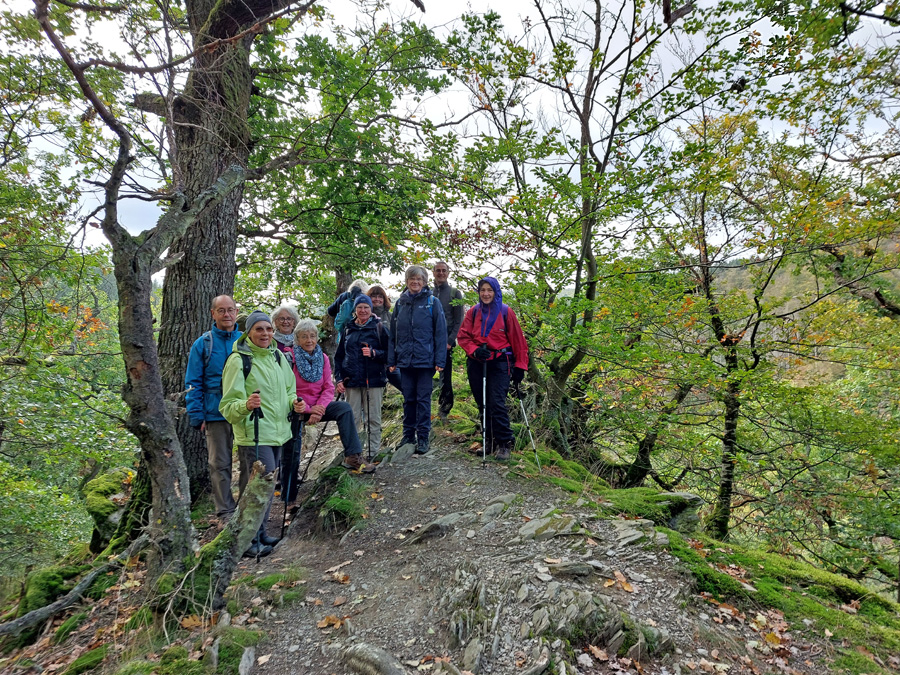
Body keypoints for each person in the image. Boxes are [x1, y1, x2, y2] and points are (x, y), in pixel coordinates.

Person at [219, 311, 306, 557]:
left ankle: (259, 533)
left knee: (265, 487)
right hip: (253, 433)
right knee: (256, 487)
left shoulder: (278, 356)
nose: (265, 334)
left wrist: (294, 403)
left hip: (278, 432)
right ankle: (245, 539)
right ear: (248, 332)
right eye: (259, 329)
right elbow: (228, 406)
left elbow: (290, 389)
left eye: (268, 329)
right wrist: (246, 405)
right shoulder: (238, 360)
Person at [457, 277, 529, 461]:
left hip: (500, 362)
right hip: (477, 362)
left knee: (496, 402)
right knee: (482, 403)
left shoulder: (506, 312)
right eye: (482, 290)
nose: (486, 294)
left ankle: (504, 443)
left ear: (496, 291)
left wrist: (520, 366)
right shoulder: (473, 312)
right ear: (478, 292)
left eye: (489, 290)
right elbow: (463, 337)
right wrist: (474, 350)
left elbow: (519, 342)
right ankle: (488, 440)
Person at [185, 295, 242, 521]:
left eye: (230, 310)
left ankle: (247, 508)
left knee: (250, 460)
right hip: (215, 411)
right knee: (219, 463)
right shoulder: (203, 344)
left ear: (236, 312)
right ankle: (225, 511)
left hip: (244, 410)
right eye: (221, 310)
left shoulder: (246, 341)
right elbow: (193, 382)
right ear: (213, 314)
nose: (227, 315)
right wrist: (197, 415)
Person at [291, 319, 374, 473]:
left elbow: (328, 387)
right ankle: (288, 474)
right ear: (297, 339)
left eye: (312, 336)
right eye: (304, 336)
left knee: (344, 408)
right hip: (297, 407)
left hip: (319, 406)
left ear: (317, 338)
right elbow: (288, 389)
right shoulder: (290, 358)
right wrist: (309, 410)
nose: (309, 340)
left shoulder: (322, 357)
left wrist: (320, 408)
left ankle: (353, 456)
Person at [388, 265, 447, 455]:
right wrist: (392, 360)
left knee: (423, 399)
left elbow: (440, 333)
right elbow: (393, 335)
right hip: (405, 360)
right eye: (412, 279)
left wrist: (440, 360)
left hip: (425, 360)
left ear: (424, 282)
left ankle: (423, 437)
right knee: (408, 399)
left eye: (419, 279)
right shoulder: (400, 304)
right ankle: (408, 436)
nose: (415, 282)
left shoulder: (432, 302)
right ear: (407, 282)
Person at [335, 295, 392, 461]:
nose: (363, 310)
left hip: (373, 380)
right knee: (352, 418)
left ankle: (372, 453)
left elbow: (391, 354)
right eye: (360, 307)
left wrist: (374, 353)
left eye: (366, 307)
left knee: (373, 418)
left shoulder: (379, 327)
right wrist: (339, 378)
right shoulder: (347, 329)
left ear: (371, 309)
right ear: (355, 310)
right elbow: (338, 357)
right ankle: (353, 453)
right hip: (351, 381)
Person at [270, 305, 301, 500]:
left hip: (297, 397)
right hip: (275, 398)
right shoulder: (270, 342)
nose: (286, 321)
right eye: (281, 319)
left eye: (289, 318)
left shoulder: (301, 341)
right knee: (278, 438)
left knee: (294, 439)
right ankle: (277, 477)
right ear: (275, 322)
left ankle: (289, 478)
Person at [432, 261, 464, 419]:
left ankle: (445, 408)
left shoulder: (454, 293)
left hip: (446, 343)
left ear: (448, 273)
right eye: (438, 270)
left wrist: (450, 341)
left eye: (444, 270)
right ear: (433, 272)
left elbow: (459, 320)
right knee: (426, 373)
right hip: (428, 343)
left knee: (446, 377)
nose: (441, 273)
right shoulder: (428, 292)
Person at [368, 284, 402, 390]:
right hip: (371, 362)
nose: (377, 299)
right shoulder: (364, 315)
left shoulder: (391, 316)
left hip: (389, 361)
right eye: (374, 296)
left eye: (380, 296)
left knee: (405, 386)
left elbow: (397, 337)